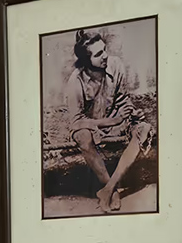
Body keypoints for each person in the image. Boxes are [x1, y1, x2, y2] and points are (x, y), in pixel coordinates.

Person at [65, 29, 153, 213]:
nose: (105, 56)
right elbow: (76, 121)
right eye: (98, 54)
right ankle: (111, 189)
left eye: (104, 50)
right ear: (86, 61)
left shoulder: (116, 65)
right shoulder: (76, 82)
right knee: (82, 136)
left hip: (118, 123)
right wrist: (112, 121)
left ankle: (108, 189)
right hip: (95, 128)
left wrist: (127, 111)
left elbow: (121, 98)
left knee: (144, 129)